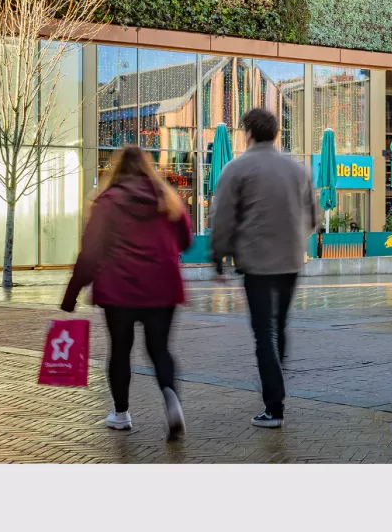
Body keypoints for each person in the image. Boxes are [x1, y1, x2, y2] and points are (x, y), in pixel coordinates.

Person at [61, 146, 192, 440]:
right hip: (162, 287)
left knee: (120, 351)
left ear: (116, 170)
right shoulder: (167, 199)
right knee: (159, 349)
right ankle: (171, 398)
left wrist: (71, 294)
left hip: (118, 289)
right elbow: (185, 239)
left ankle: (121, 413)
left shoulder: (107, 202)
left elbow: (91, 252)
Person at [211, 107, 318, 429]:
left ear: (248, 132)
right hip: (290, 261)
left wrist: (219, 255)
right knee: (279, 327)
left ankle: (274, 405)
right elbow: (313, 217)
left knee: (264, 332)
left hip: (257, 262)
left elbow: (223, 218)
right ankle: (276, 382)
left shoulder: (237, 167)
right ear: (275, 133)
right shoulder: (298, 169)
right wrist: (294, 239)